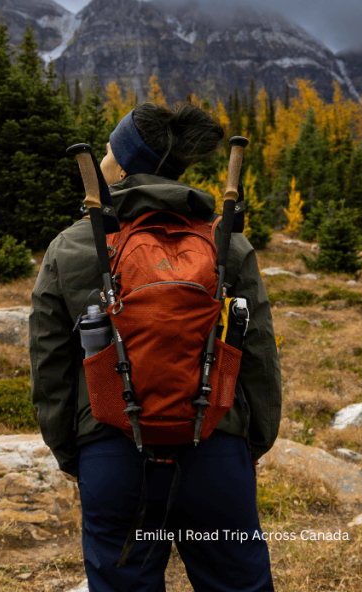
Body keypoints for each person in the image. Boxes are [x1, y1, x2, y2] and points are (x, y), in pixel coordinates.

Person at [30, 101, 281, 591]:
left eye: (108, 149)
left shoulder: (72, 246)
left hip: (112, 447)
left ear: (121, 166)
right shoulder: (225, 243)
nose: (103, 158)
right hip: (215, 443)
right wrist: (248, 443)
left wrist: (71, 453)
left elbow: (51, 365)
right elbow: (259, 358)